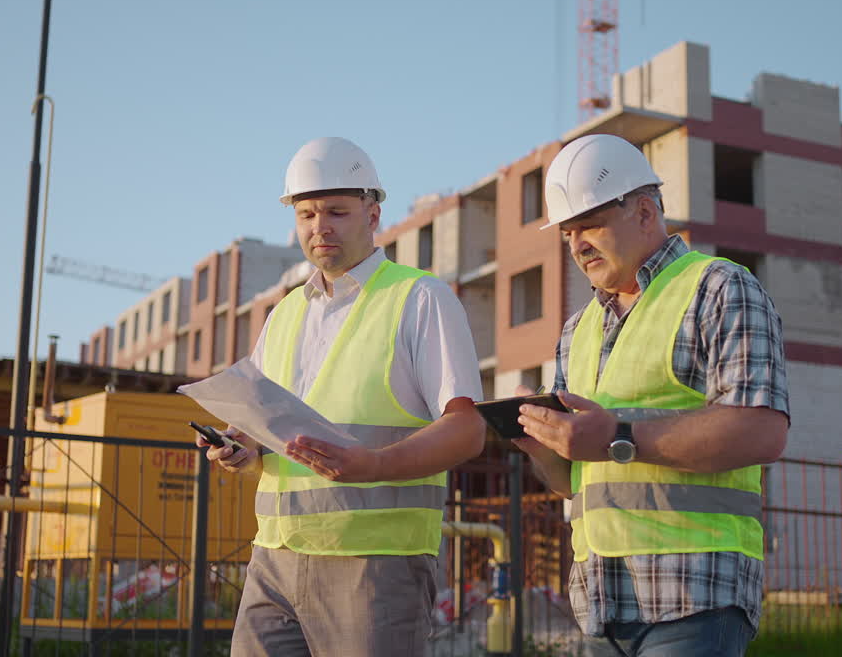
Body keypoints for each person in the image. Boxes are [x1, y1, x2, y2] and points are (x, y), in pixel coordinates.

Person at [196, 136, 485, 657]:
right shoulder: (283, 315)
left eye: (336, 211)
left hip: (374, 564)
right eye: (305, 214)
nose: (319, 227)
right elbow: (270, 427)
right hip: (273, 560)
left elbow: (467, 429)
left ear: (373, 215)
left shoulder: (420, 299)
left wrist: (373, 463)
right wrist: (243, 446)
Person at [512, 134, 789, 657]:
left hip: (695, 588)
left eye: (589, 224)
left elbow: (762, 429)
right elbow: (576, 483)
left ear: (643, 212)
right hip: (602, 601)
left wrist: (617, 436)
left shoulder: (721, 288)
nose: (577, 244)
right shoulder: (577, 330)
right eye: (568, 231)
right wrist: (546, 448)